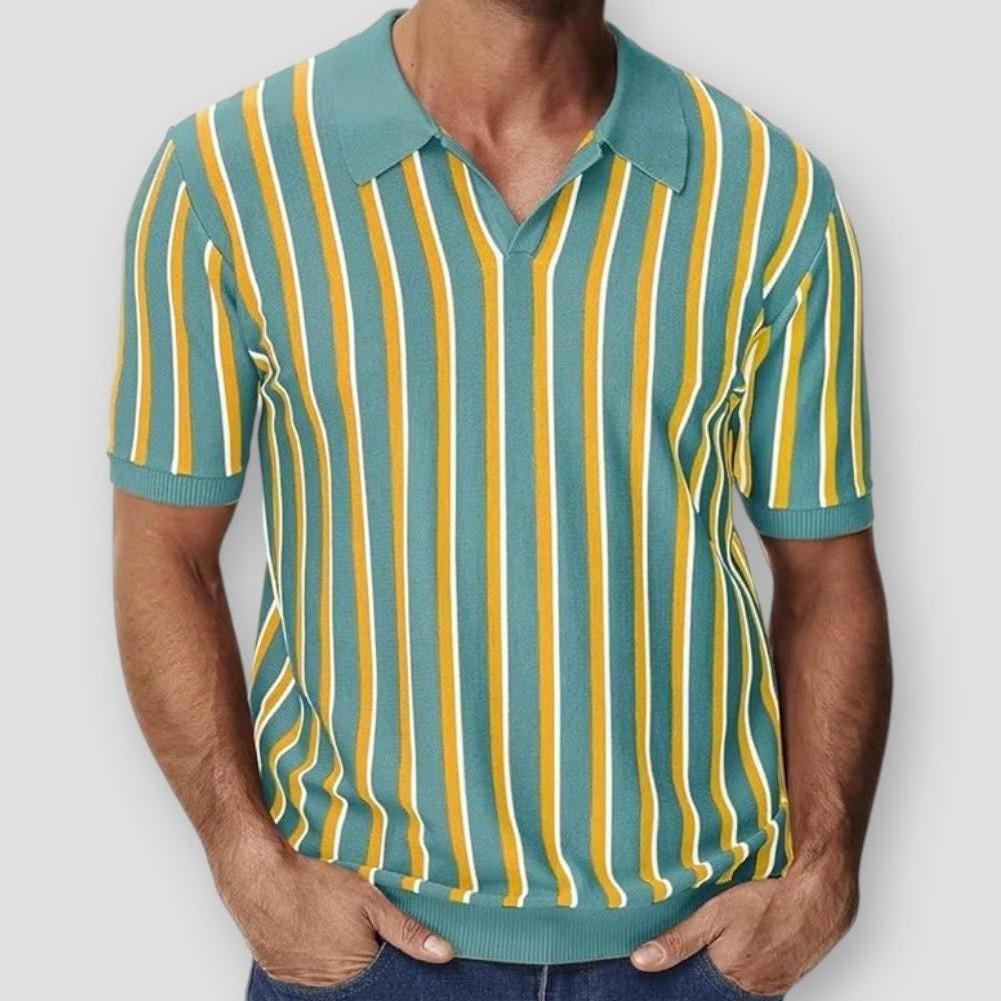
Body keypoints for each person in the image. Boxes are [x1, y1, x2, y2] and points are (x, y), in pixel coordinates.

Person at [107, 2, 892, 998]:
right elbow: (163, 547)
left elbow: (825, 568)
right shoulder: (226, 175)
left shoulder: (768, 192)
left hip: (692, 943)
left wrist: (823, 870)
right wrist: (243, 857)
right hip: (361, 946)